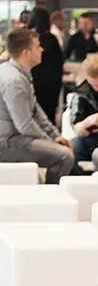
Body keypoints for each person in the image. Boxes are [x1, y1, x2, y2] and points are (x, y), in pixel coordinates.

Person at [0, 28, 73, 183]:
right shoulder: (14, 81)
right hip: (6, 143)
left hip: (14, 137)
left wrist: (55, 135)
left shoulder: (20, 73)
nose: (42, 49)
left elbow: (36, 111)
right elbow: (25, 125)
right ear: (25, 53)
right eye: (37, 46)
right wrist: (50, 141)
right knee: (64, 156)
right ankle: (50, 195)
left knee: (63, 150)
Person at [27, 6, 65, 125]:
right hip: (52, 82)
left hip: (34, 80)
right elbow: (60, 60)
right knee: (48, 115)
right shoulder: (51, 38)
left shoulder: (28, 39)